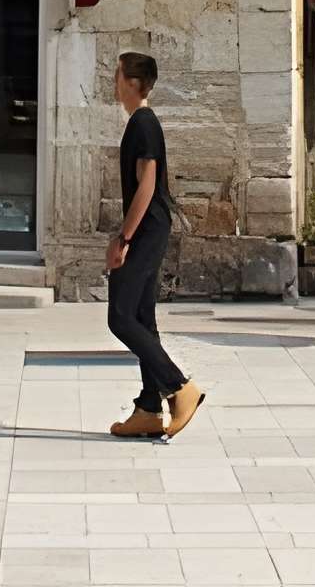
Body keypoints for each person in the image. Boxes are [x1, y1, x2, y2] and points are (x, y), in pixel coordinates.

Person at [105, 52, 203, 439]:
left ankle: (180, 387)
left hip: (147, 230)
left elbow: (146, 186)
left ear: (132, 82)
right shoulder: (140, 123)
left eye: (118, 74)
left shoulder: (144, 123)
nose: (113, 81)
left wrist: (124, 239)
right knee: (142, 317)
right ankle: (148, 408)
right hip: (149, 228)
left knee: (120, 316)